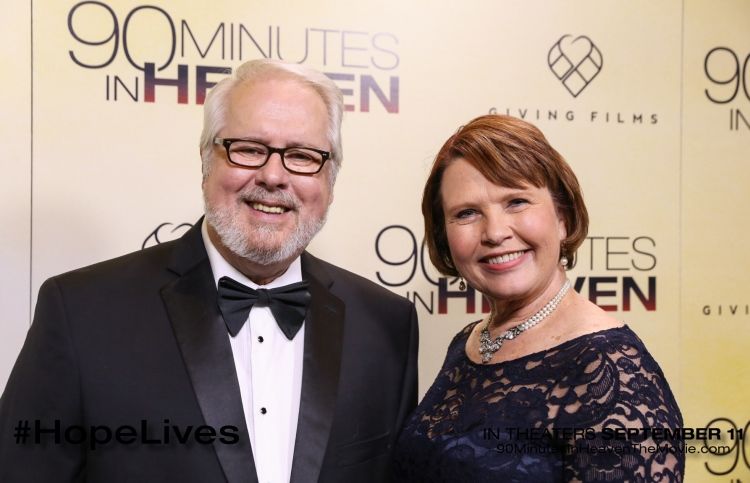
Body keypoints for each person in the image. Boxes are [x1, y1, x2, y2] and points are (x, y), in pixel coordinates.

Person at [0, 59, 418, 483]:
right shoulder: (81, 313)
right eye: (249, 149)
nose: (273, 176)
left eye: (302, 156)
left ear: (330, 180)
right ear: (206, 160)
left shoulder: (387, 325)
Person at [393, 115, 683, 482]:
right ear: (444, 235)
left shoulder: (609, 369)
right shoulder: (468, 343)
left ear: (562, 217)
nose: (495, 233)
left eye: (516, 202)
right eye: (466, 213)